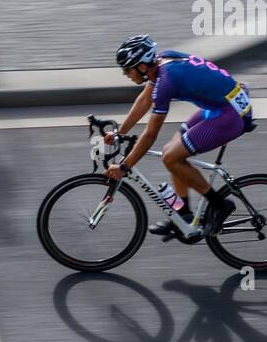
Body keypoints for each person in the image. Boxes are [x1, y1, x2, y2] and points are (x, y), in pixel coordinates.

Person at [105, 35, 257, 239]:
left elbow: (150, 134)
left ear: (141, 66)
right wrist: (119, 133)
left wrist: (124, 167)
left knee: (172, 157)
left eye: (127, 69)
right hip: (223, 106)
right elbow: (144, 100)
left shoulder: (167, 79)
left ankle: (220, 205)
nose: (126, 74)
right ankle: (184, 215)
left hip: (229, 114)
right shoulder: (161, 62)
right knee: (171, 151)